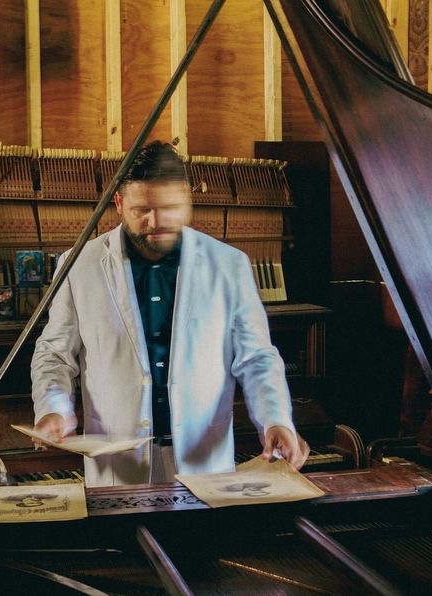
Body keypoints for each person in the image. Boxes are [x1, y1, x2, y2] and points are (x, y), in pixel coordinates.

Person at [30, 141, 309, 486]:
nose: (155, 221)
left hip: (205, 461)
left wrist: (276, 419)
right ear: (118, 202)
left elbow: (256, 357)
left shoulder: (229, 264)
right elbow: (54, 354)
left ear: (188, 199)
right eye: (142, 209)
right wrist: (54, 406)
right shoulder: (77, 265)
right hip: (117, 468)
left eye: (169, 208)